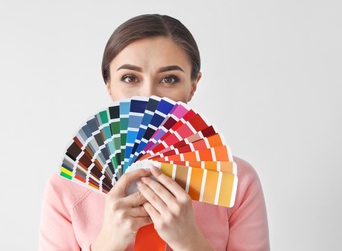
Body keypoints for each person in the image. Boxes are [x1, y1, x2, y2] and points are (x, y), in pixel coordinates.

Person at [39, 14, 270, 250]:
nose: (148, 96)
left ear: (193, 86)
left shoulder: (237, 182)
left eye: (169, 79)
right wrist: (108, 243)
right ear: (108, 85)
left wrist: (190, 241)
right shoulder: (67, 189)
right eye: (129, 78)